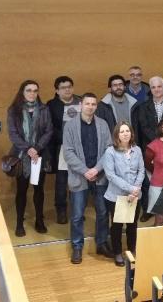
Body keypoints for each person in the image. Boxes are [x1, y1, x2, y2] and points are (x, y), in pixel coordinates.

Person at [62, 93, 112, 264]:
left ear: (96, 106)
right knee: (77, 215)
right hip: (79, 176)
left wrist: (97, 169)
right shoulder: (70, 126)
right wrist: (85, 171)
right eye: (87, 103)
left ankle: (102, 243)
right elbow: (68, 153)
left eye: (93, 104)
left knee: (103, 212)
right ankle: (77, 246)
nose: (90, 107)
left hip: (100, 175)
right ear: (80, 105)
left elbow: (109, 149)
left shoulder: (103, 124)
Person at [131, 76, 163, 222]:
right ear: (150, 89)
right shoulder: (143, 107)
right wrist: (159, 142)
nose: (157, 89)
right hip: (150, 148)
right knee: (150, 182)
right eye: (153, 87)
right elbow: (143, 127)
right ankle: (149, 209)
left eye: (159, 86)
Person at [7, 80, 53, 237]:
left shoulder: (44, 109)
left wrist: (37, 148)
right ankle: (19, 222)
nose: (32, 93)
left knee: (39, 190)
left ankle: (39, 220)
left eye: (35, 90)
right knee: (21, 190)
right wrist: (28, 148)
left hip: (40, 156)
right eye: (29, 90)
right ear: (22, 92)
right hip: (21, 156)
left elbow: (49, 131)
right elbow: (13, 134)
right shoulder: (14, 110)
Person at [102, 122, 144, 266]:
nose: (125, 134)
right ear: (117, 135)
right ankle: (117, 253)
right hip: (116, 197)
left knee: (132, 225)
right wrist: (130, 189)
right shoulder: (110, 152)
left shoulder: (137, 150)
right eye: (122, 132)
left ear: (131, 133)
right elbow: (111, 175)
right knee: (117, 227)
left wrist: (136, 189)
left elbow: (141, 171)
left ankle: (132, 251)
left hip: (135, 195)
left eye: (127, 131)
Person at [46, 76, 81, 224]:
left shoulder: (81, 101)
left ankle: (77, 211)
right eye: (63, 88)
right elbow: (49, 127)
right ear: (57, 90)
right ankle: (61, 211)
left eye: (69, 87)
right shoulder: (51, 105)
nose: (67, 90)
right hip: (62, 147)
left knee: (79, 180)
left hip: (80, 147)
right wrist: (66, 138)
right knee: (61, 181)